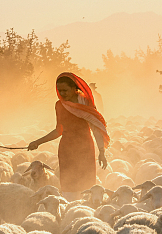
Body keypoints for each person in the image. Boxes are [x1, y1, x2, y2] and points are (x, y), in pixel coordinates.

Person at [27, 72, 109, 200]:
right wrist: (37, 142)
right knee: (69, 186)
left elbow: (95, 128)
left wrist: (102, 151)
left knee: (86, 185)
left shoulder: (85, 103)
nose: (62, 94)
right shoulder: (60, 105)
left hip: (85, 148)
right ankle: (69, 213)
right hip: (67, 150)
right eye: (59, 90)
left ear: (74, 88)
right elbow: (59, 130)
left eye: (65, 90)